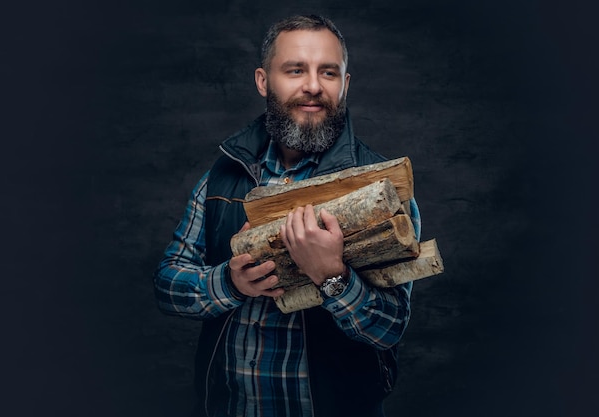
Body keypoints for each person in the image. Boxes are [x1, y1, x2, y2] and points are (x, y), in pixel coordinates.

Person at [154, 14, 421, 417]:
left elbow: (389, 328)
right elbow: (168, 285)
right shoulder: (221, 180)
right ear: (263, 81)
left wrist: (333, 278)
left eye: (328, 72)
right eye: (295, 70)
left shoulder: (383, 190)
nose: (313, 85)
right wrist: (230, 281)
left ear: (344, 85)